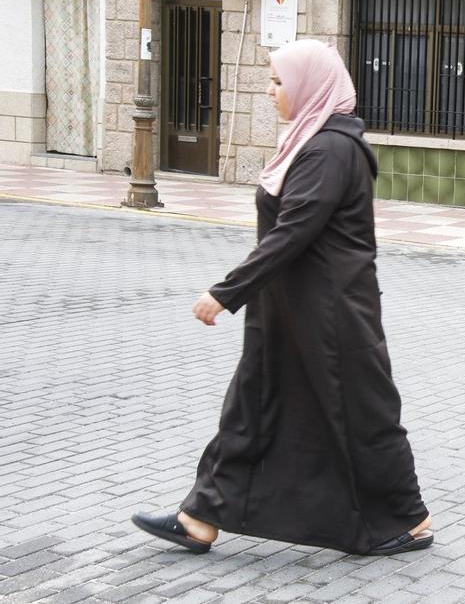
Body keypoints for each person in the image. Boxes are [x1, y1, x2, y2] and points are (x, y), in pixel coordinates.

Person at [131, 39, 433, 556]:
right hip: (293, 311)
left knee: (361, 414)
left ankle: (409, 520)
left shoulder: (330, 149)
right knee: (252, 405)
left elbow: (293, 232)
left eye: (279, 82)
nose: (271, 92)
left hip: (331, 318)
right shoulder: (312, 140)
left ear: (310, 88)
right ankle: (200, 516)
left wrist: (226, 293)